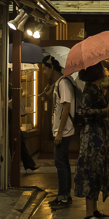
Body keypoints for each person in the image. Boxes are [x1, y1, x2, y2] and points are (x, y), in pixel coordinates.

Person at [73, 62, 109, 219]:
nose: (106, 71)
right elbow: (84, 111)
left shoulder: (99, 88)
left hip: (99, 133)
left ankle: (94, 210)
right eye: (103, 68)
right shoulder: (89, 89)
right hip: (91, 136)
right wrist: (105, 111)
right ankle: (88, 213)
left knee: (98, 169)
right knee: (91, 170)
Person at [40, 54, 74, 208]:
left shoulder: (63, 83)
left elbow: (66, 107)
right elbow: (58, 105)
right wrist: (48, 93)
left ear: (52, 67)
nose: (43, 72)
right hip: (61, 130)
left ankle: (64, 197)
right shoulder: (58, 83)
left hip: (64, 131)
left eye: (44, 69)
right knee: (63, 163)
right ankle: (64, 194)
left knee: (60, 164)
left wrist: (59, 132)